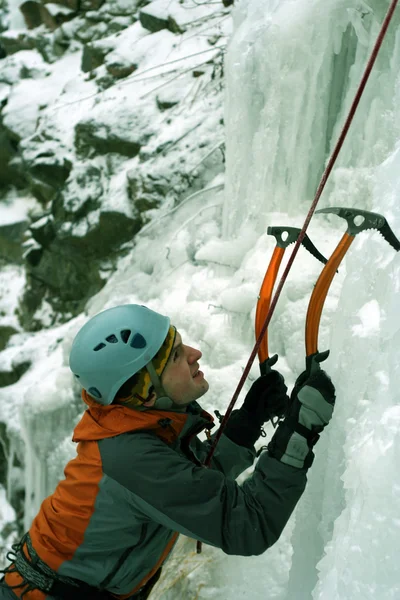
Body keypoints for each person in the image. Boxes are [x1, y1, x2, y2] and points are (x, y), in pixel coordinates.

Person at [0, 304, 336, 600]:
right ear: (145, 391)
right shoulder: (132, 458)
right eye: (175, 355)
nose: (195, 353)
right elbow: (248, 523)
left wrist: (244, 426)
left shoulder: (135, 427)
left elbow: (186, 485)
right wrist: (299, 435)